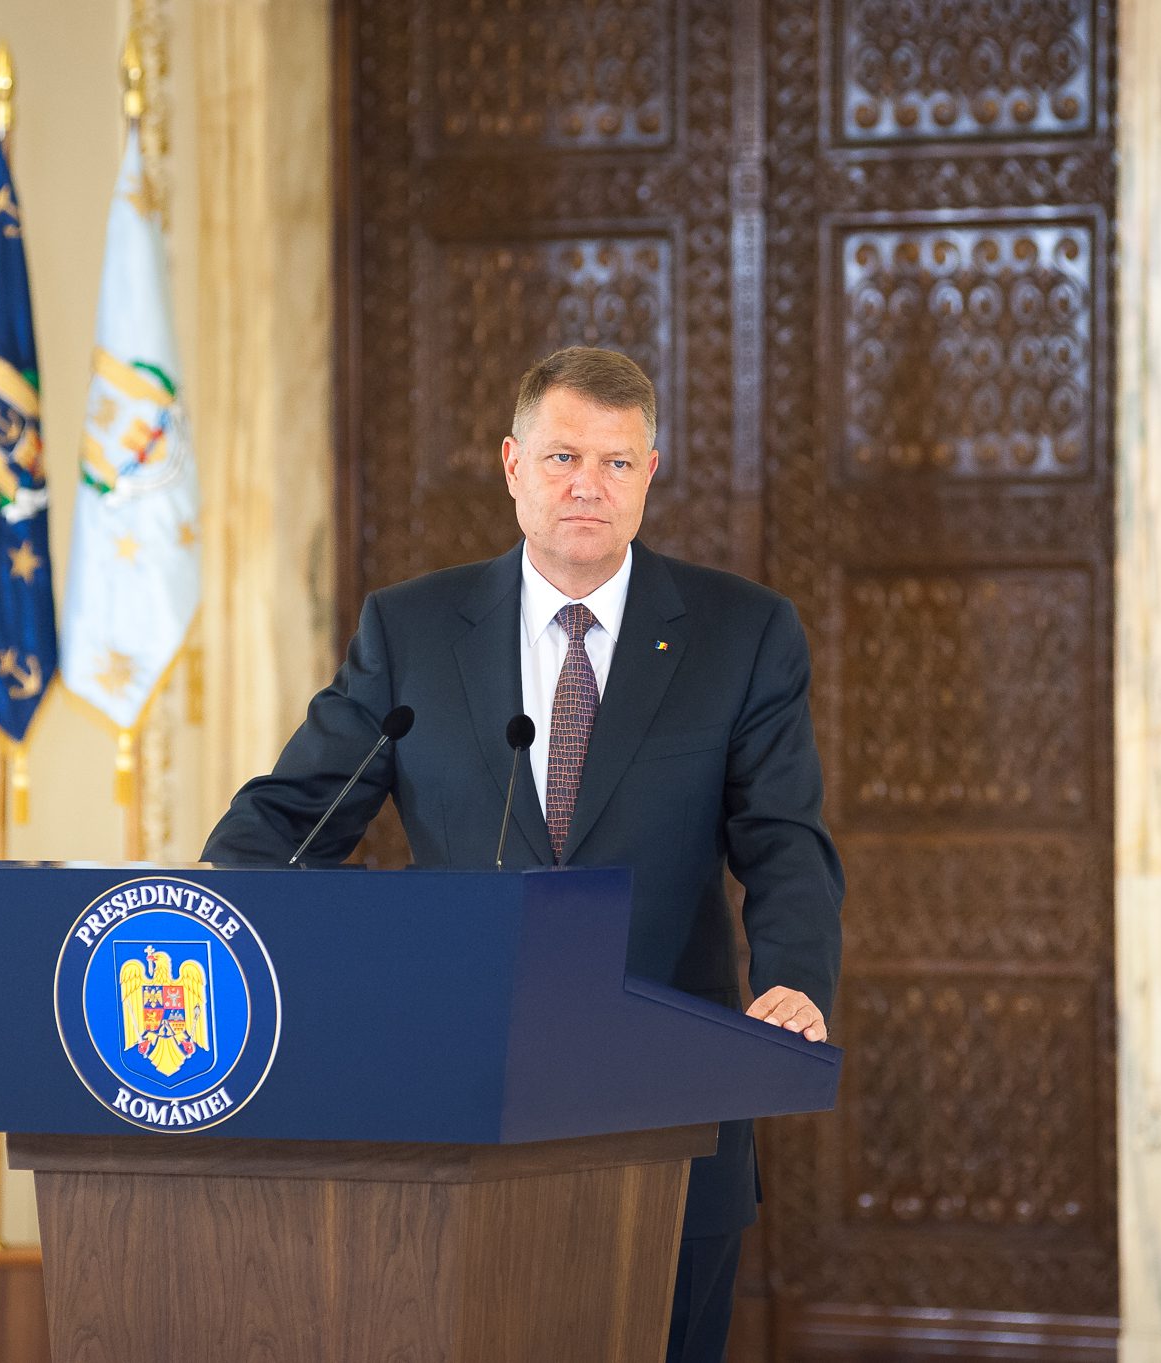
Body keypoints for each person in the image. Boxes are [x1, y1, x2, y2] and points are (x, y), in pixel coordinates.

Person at [201, 345, 844, 1363]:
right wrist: (277, 956)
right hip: (454, 1103)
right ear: (512, 465)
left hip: (668, 1108)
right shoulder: (412, 630)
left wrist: (795, 978)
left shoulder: (743, 633)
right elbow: (282, 826)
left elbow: (784, 839)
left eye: (616, 462)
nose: (588, 484)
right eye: (561, 457)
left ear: (649, 474)